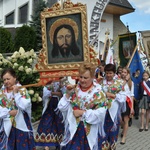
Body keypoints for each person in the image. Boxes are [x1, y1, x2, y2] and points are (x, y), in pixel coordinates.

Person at [58, 62, 108, 150]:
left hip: (89, 131)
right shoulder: (74, 89)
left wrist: (82, 113)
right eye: (80, 77)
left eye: (85, 78)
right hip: (73, 129)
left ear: (92, 77)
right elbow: (62, 107)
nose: (82, 80)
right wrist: (67, 94)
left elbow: (101, 113)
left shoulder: (98, 92)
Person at [0, 68, 36, 150]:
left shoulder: (22, 90)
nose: (6, 81)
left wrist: (16, 94)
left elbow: (24, 105)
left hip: (21, 124)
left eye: (8, 79)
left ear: (14, 78)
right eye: (4, 79)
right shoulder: (1, 93)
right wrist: (9, 112)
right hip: (6, 124)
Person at [100, 64, 127, 149]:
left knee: (112, 133)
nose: (108, 75)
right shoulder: (100, 82)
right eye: (107, 73)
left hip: (114, 113)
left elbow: (123, 97)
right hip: (102, 112)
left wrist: (113, 95)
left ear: (114, 73)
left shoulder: (119, 83)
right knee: (102, 135)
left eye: (110, 73)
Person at [35, 80, 65, 150]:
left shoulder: (62, 81)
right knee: (46, 123)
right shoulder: (47, 82)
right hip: (49, 105)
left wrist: (61, 88)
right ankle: (46, 144)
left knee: (59, 124)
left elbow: (64, 93)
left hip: (59, 105)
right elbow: (46, 93)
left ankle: (58, 143)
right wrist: (56, 93)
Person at [120, 68, 134, 144]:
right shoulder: (118, 81)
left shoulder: (131, 83)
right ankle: (123, 129)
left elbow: (131, 95)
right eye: (122, 72)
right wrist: (125, 81)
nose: (123, 73)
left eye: (125, 72)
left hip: (127, 102)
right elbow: (118, 89)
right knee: (120, 120)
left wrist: (132, 108)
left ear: (128, 73)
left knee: (126, 120)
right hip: (119, 102)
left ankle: (124, 137)